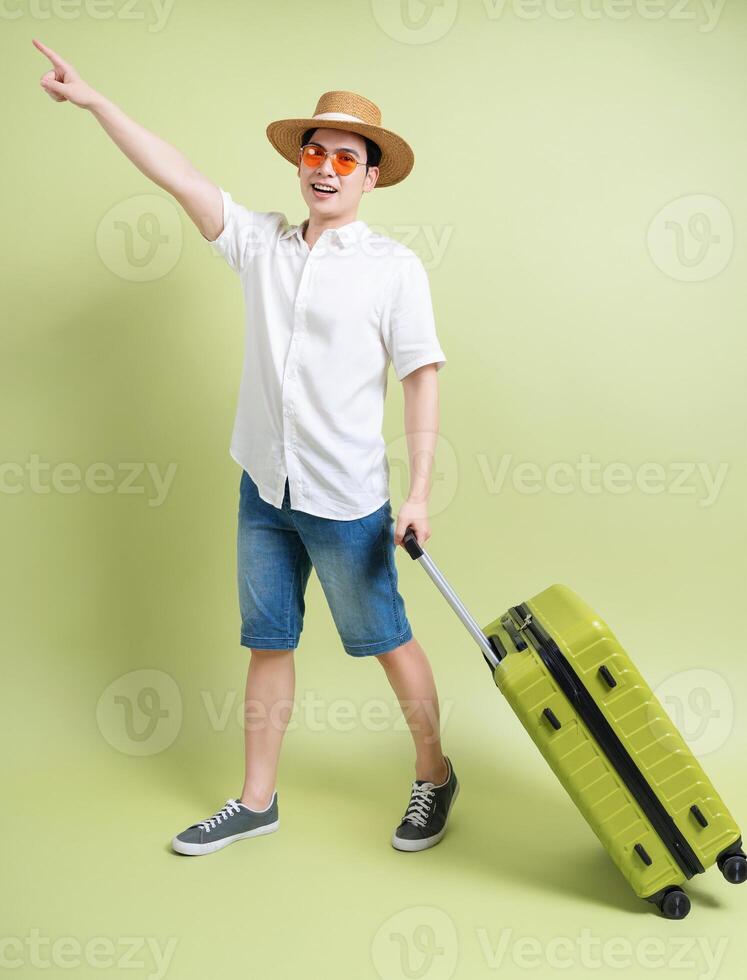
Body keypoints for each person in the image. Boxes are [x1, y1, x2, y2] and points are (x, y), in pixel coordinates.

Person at [35, 39, 458, 857]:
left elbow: (422, 377)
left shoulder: (392, 270)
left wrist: (415, 494)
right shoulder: (259, 244)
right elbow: (178, 173)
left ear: (371, 177)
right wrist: (95, 103)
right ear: (299, 163)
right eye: (314, 151)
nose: (325, 168)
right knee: (268, 643)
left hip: (345, 500)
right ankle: (255, 800)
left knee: (385, 641)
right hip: (264, 490)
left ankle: (434, 774)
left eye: (345, 157)